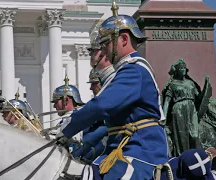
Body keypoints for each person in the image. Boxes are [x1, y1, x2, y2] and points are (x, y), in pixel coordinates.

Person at [56, 1, 168, 179]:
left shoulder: (134, 70)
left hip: (140, 150)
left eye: (106, 44)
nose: (103, 51)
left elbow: (101, 105)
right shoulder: (127, 70)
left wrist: (68, 128)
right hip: (118, 149)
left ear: (123, 39)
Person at [88, 20, 115, 88]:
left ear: (105, 51)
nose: (90, 54)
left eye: (94, 50)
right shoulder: (105, 76)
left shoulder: (114, 77)